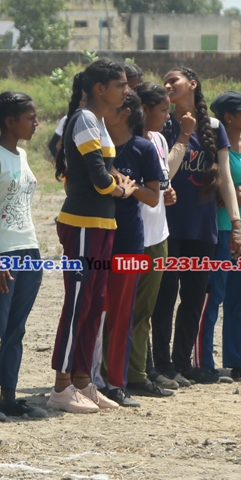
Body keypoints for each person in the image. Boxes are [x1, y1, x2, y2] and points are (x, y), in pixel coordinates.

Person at [49, 59, 134, 413]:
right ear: (100, 88)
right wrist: (122, 189)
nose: (126, 91)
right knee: (79, 302)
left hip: (101, 224)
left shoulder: (97, 121)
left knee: (96, 302)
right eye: (120, 85)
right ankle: (61, 386)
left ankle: (83, 381)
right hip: (82, 223)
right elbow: (100, 179)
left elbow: (104, 172)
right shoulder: (84, 119)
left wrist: (115, 183)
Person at [152, 67, 241, 387]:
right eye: (164, 81)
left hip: (203, 228)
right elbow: (164, 172)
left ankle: (183, 364)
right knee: (165, 297)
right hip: (168, 226)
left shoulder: (215, 127)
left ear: (192, 84)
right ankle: (161, 365)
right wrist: (183, 134)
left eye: (173, 80)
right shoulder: (162, 123)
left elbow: (226, 179)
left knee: (193, 298)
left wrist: (235, 224)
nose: (167, 85)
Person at [0, 91, 47, 422]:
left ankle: (8, 397)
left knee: (16, 328)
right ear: (10, 122)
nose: (36, 123)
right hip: (1, 254)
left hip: (29, 251)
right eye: (30, 118)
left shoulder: (23, 155)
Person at [95, 90, 163, 407]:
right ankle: (88, 379)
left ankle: (116, 383)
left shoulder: (142, 148)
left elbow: (153, 197)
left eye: (110, 106)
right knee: (95, 310)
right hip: (96, 236)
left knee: (122, 313)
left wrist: (127, 185)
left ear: (123, 113)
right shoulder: (94, 144)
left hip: (129, 240)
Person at [127, 83, 183, 399]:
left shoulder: (160, 141)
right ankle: (128, 374)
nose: (167, 116)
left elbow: (160, 184)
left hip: (159, 234)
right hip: (134, 236)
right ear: (144, 110)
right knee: (129, 310)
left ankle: (140, 371)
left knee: (145, 311)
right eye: (163, 110)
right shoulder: (127, 143)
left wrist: (167, 193)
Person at [200, 92, 241, 382]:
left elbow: (231, 192)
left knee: (240, 298)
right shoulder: (214, 150)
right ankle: (204, 362)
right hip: (222, 229)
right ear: (228, 117)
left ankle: (237, 361)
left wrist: (238, 192)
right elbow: (220, 191)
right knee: (214, 295)